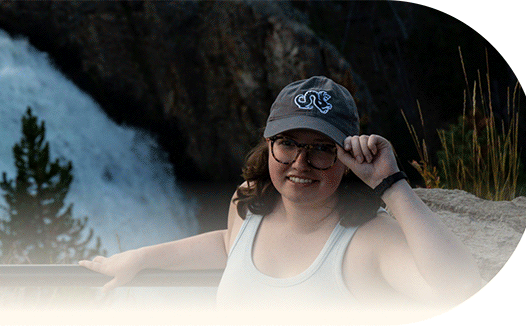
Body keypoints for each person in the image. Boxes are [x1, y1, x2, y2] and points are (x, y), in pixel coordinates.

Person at [79, 76, 484, 318]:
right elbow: (228, 244)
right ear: (268, 143)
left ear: (347, 159)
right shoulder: (250, 200)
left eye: (323, 149)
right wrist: (141, 258)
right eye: (288, 143)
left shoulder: (369, 241)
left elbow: (459, 289)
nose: (301, 163)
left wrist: (391, 183)